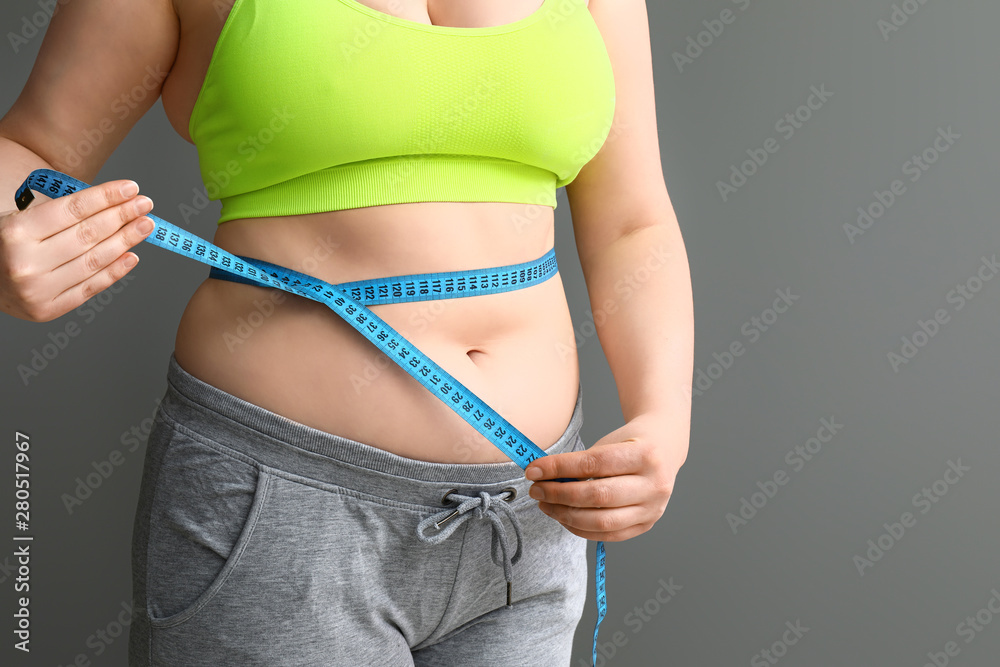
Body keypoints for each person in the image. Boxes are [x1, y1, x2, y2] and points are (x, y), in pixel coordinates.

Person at [0, 0, 693, 664]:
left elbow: (634, 222)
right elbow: (28, 146)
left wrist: (664, 417)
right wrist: (8, 243)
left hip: (525, 524)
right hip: (277, 511)